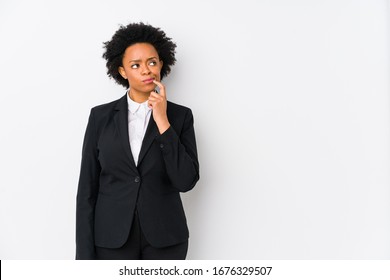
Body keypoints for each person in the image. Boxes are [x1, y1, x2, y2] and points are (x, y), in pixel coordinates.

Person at [76, 22, 200, 260]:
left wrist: (163, 121)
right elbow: (87, 191)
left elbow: (186, 180)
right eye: (136, 65)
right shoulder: (100, 117)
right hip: (111, 241)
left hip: (165, 241)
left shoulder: (180, 116)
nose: (146, 70)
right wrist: (83, 258)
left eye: (152, 62)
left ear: (162, 63)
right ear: (122, 71)